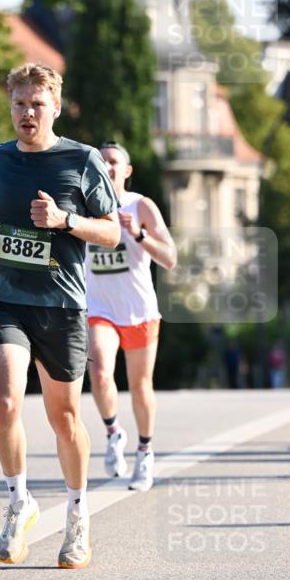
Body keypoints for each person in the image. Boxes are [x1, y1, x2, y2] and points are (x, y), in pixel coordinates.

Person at [0, 63, 120, 569]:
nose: (27, 113)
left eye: (36, 104)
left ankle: (78, 517)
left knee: (64, 417)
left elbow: (112, 232)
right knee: (5, 401)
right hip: (3, 295)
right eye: (19, 104)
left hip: (60, 303)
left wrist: (65, 220)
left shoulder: (83, 159)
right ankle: (18, 503)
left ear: (55, 106)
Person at [85, 142, 177, 492]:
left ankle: (145, 452)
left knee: (140, 387)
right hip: (100, 310)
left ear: (127, 170)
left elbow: (170, 258)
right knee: (99, 372)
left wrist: (138, 234)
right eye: (101, 162)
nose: (107, 167)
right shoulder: (85, 207)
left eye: (113, 162)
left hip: (139, 310)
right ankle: (113, 432)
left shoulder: (141, 206)